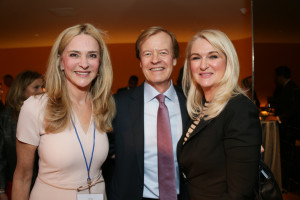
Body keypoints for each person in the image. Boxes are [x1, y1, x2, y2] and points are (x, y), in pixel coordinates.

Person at [11, 23, 115, 200]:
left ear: (99, 63)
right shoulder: (35, 107)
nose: (83, 64)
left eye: (92, 55)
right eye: (74, 54)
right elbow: (22, 177)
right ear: (60, 61)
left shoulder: (104, 105)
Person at [177, 29, 262, 199]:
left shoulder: (239, 109)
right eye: (196, 57)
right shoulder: (200, 107)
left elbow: (239, 194)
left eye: (213, 56)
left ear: (228, 61)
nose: (203, 65)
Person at [107, 26, 189, 200]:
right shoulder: (117, 105)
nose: (155, 60)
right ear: (140, 62)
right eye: (147, 54)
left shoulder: (192, 104)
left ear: (174, 59)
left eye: (163, 53)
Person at [0, 70, 44, 200]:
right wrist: (1, 189)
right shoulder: (5, 119)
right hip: (15, 184)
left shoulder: (45, 116)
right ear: (21, 90)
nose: (41, 91)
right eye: (36, 87)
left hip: (42, 184)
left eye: (42, 87)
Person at [270, 65, 300, 190]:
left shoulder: (292, 89)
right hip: (286, 127)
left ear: (280, 76)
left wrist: (279, 118)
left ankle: (287, 183)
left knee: (287, 155)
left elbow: (295, 109)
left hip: (290, 129)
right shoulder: (283, 88)